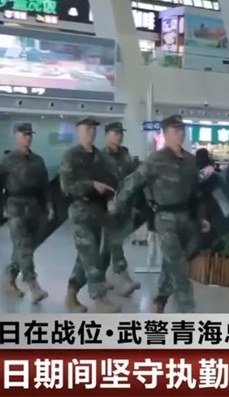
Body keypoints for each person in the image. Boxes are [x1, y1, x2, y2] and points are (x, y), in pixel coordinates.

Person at [111, 115, 211, 313]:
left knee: (172, 262)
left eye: (182, 130)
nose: (180, 134)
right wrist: (116, 205)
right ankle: (187, 310)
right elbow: (132, 183)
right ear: (165, 134)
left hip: (186, 217)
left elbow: (197, 193)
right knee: (178, 265)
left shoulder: (190, 161)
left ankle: (160, 301)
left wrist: (202, 217)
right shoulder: (155, 160)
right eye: (175, 130)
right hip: (165, 218)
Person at [0, 123, 51, 302]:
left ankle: (9, 279)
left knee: (24, 247)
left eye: (30, 134)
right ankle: (33, 285)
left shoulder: (37, 160)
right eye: (24, 134)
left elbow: (44, 186)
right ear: (16, 136)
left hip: (34, 207)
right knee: (24, 247)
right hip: (15, 206)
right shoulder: (8, 160)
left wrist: (49, 206)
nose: (27, 138)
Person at [60, 117, 120, 313]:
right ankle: (99, 298)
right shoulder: (71, 156)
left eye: (94, 129)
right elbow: (67, 186)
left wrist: (110, 197)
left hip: (98, 210)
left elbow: (110, 180)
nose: (91, 132)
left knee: (84, 256)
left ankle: (71, 295)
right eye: (87, 129)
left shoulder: (100, 156)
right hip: (80, 209)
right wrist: (91, 185)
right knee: (91, 254)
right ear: (78, 131)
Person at [96, 121, 141, 296]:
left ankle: (98, 277)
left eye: (121, 133)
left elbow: (132, 179)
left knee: (110, 243)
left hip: (125, 205)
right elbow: (99, 181)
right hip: (107, 206)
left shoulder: (126, 155)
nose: (119, 136)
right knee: (114, 240)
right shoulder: (100, 157)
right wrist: (106, 201)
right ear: (107, 135)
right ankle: (124, 277)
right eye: (115, 133)